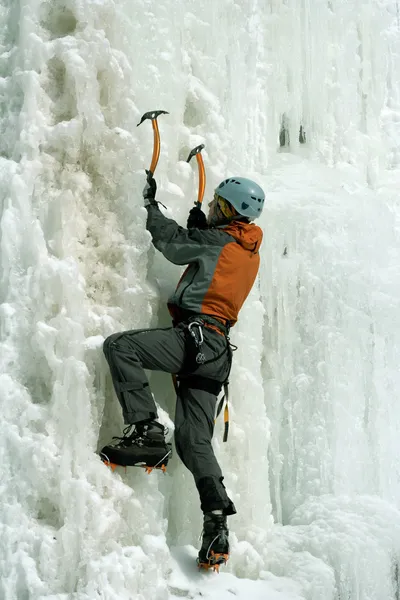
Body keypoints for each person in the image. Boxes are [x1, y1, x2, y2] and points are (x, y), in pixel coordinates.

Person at [100, 173, 264, 569]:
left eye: (215, 204)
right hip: (218, 352)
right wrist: (202, 228)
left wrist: (150, 207)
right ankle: (216, 524)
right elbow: (214, 265)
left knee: (121, 346)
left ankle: (147, 432)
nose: (209, 208)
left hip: (196, 337)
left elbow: (173, 244)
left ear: (228, 209)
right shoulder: (248, 249)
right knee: (194, 441)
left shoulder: (218, 239)